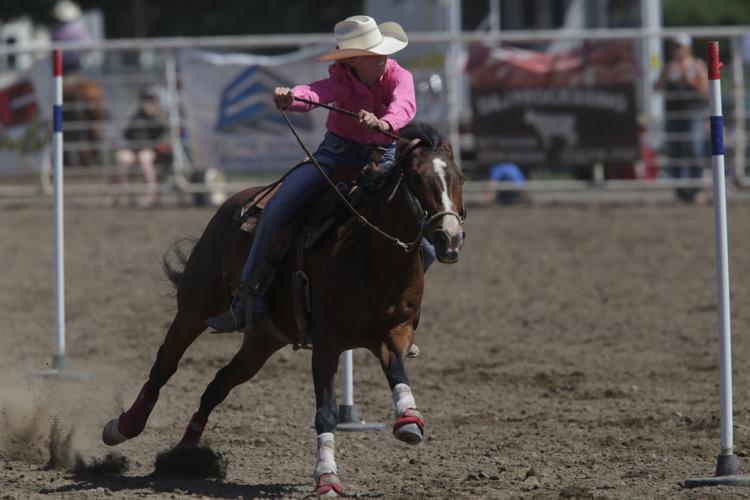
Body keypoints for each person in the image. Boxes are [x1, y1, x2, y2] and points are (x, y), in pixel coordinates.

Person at [208, 14, 422, 333]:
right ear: (351, 60)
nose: (382, 57)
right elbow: (315, 93)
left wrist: (385, 123)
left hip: (384, 158)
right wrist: (292, 97)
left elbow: (403, 104)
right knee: (274, 212)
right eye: (372, 52)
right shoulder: (340, 79)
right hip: (335, 157)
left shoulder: (397, 75)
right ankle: (247, 300)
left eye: (382, 50)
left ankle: (403, 313)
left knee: (426, 232)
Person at [654, 34, 708, 203]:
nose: (676, 50)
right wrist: (665, 76)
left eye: (679, 46)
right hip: (674, 114)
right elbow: (656, 88)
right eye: (674, 46)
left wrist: (688, 79)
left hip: (693, 113)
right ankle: (681, 191)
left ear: (688, 48)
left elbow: (706, 90)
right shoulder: (669, 67)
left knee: (694, 149)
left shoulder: (697, 65)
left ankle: (696, 188)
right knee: (676, 151)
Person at [111, 86, 168, 208]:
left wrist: (155, 147)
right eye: (146, 99)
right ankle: (118, 195)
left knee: (144, 158)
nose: (149, 103)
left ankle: (149, 196)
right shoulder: (135, 116)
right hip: (133, 149)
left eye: (152, 100)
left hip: (151, 151)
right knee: (122, 158)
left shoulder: (159, 118)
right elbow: (126, 134)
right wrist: (126, 146)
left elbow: (164, 139)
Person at [51, 0, 91, 72]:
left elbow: (53, 45)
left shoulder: (56, 29)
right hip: (76, 64)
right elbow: (87, 45)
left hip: (62, 64)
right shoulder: (80, 26)